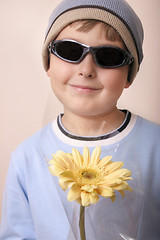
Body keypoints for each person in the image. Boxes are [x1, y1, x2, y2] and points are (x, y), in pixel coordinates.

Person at [0, 0, 160, 239]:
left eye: (108, 56)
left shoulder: (156, 148)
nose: (86, 69)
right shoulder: (27, 157)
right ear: (48, 64)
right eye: (70, 50)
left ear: (129, 74)